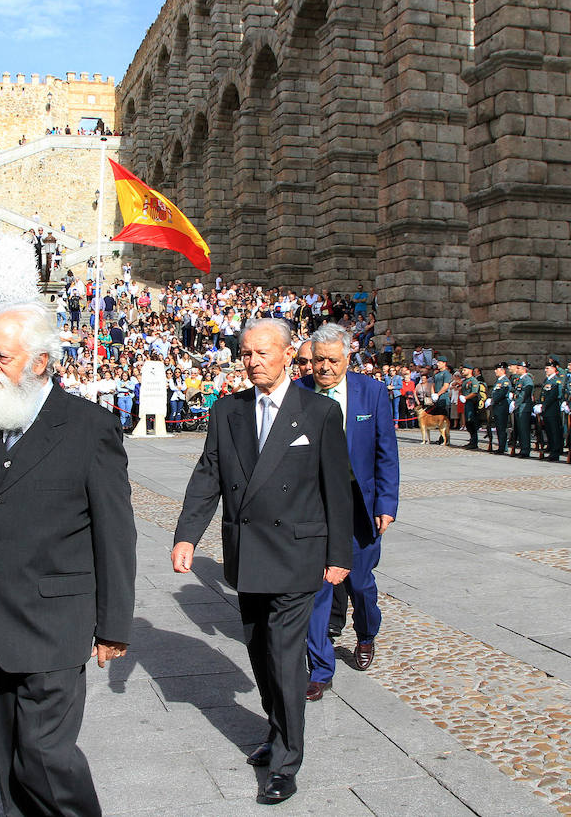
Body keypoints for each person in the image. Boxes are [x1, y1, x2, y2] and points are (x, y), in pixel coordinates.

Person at [0, 303, 137, 817]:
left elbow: (115, 534)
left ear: (38, 363)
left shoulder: (88, 426)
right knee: (7, 756)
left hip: (52, 624)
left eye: (0, 355)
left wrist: (113, 626)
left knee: (46, 756)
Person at [171, 318, 353, 806]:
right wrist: (188, 535)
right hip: (247, 552)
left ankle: (287, 761)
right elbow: (209, 473)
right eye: (245, 353)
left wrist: (340, 555)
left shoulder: (316, 412)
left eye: (262, 353)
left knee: (286, 657)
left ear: (289, 354)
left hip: (297, 554)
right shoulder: (227, 411)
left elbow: (337, 486)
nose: (251, 362)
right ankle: (276, 729)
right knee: (258, 650)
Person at [296, 323, 398, 701]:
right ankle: (321, 669)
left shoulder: (370, 393)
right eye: (318, 360)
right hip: (315, 509)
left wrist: (386, 504)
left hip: (360, 509)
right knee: (319, 589)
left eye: (332, 360)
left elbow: (386, 453)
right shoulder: (299, 392)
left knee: (360, 585)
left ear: (349, 356)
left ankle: (367, 632)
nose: (324, 368)